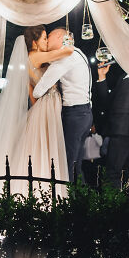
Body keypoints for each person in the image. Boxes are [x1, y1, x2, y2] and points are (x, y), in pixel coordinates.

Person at [9, 26, 75, 194]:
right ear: (34, 42)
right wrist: (67, 37)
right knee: (49, 147)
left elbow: (32, 97)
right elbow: (67, 51)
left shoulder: (27, 61)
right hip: (49, 105)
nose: (46, 41)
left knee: (40, 150)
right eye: (45, 38)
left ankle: (38, 190)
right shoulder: (37, 55)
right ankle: (50, 190)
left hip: (40, 108)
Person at [32, 27, 92, 182]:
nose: (47, 40)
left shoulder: (65, 58)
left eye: (49, 36)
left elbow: (38, 91)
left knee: (67, 164)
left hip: (74, 115)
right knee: (76, 165)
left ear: (59, 36)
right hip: (85, 114)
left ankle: (70, 203)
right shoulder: (78, 53)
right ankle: (83, 201)